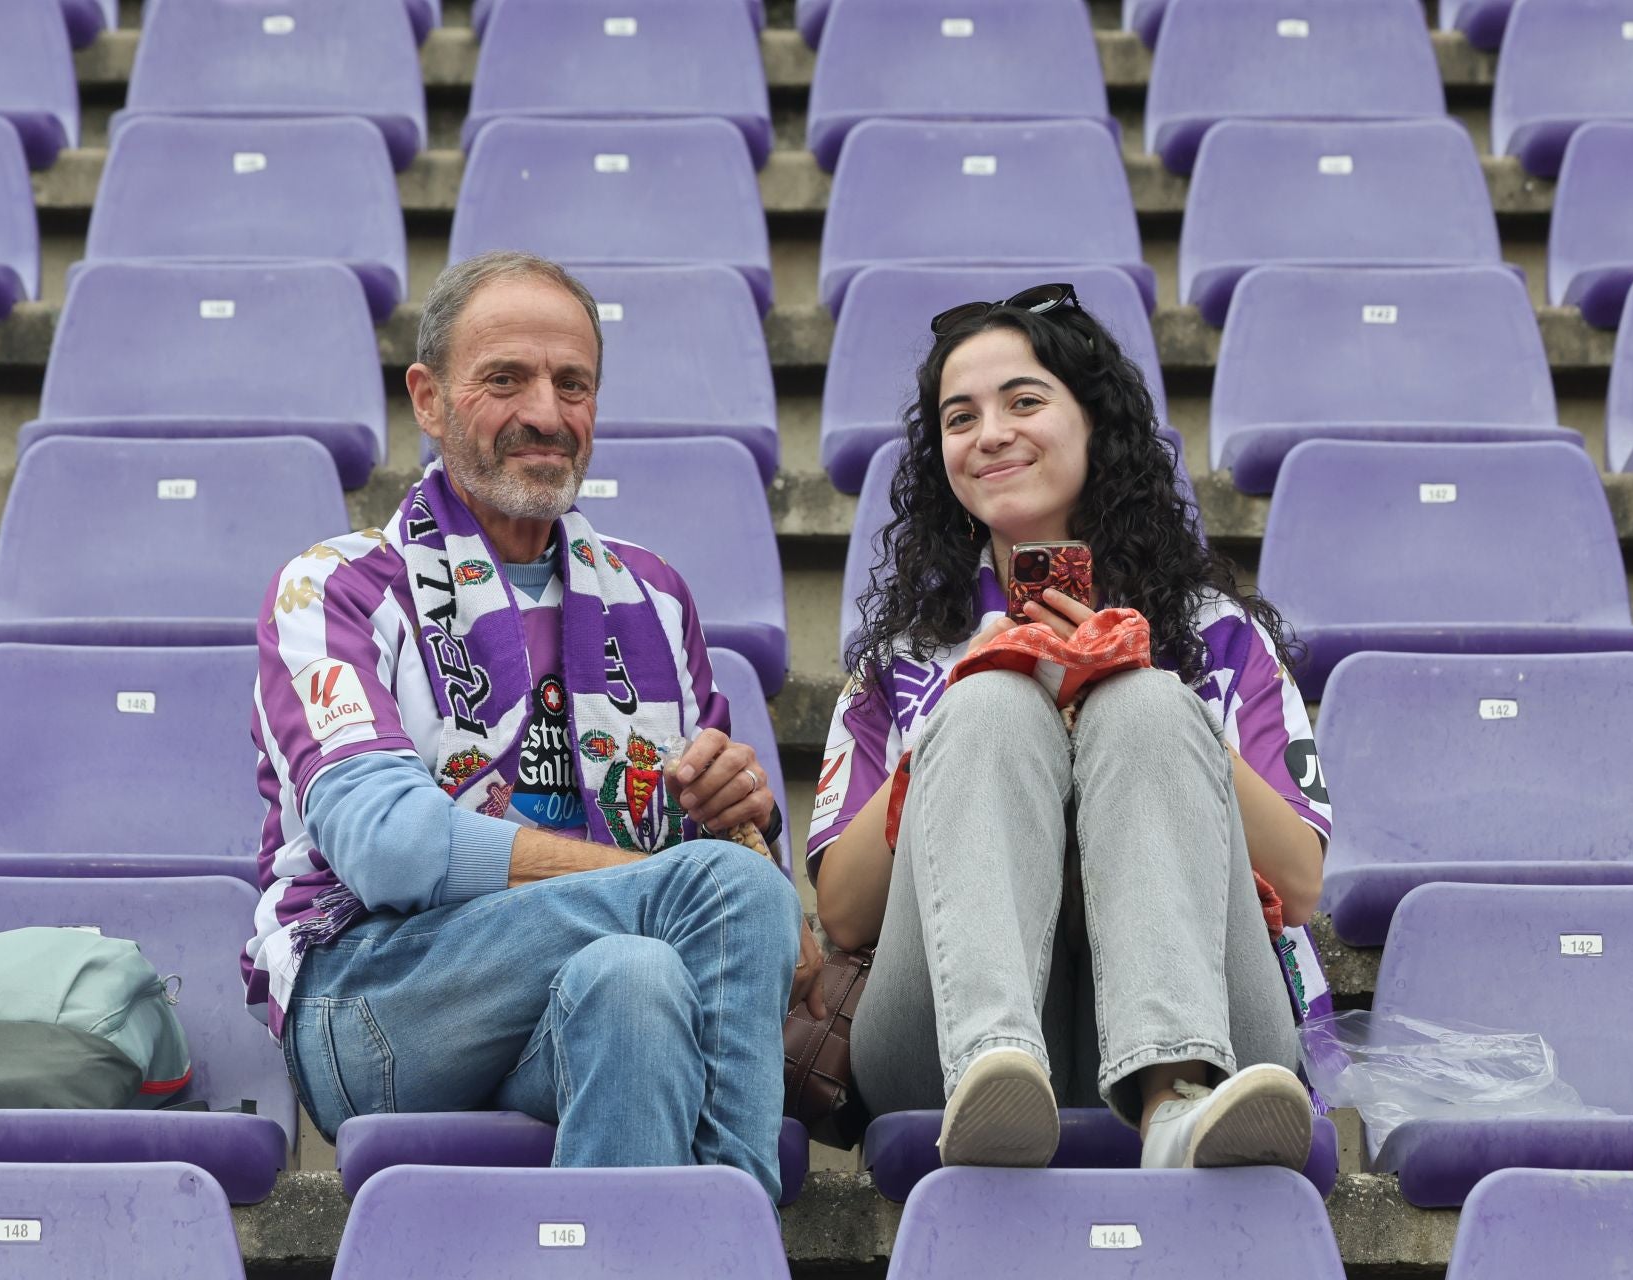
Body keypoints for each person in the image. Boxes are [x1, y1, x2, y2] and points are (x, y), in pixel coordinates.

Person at [242, 251, 819, 1199]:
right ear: (427, 399)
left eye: (573, 384)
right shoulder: (333, 587)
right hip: (378, 997)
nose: (546, 413)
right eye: (504, 379)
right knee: (711, 904)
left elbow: (742, 908)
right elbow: (388, 847)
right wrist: (683, 883)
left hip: (585, 990)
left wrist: (733, 818)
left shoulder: (655, 596)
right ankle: (735, 1242)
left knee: (636, 985)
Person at [809, 284, 1335, 1171]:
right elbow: (846, 913)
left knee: (1142, 702)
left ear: (1095, 424)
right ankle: (995, 1065)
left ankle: (1175, 1098)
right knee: (989, 701)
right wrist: (949, 724)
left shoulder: (1216, 635)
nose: (991, 433)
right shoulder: (899, 660)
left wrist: (1130, 682)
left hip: (1217, 1027)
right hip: (934, 1052)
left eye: (1024, 401)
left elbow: (1301, 884)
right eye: (960, 417)